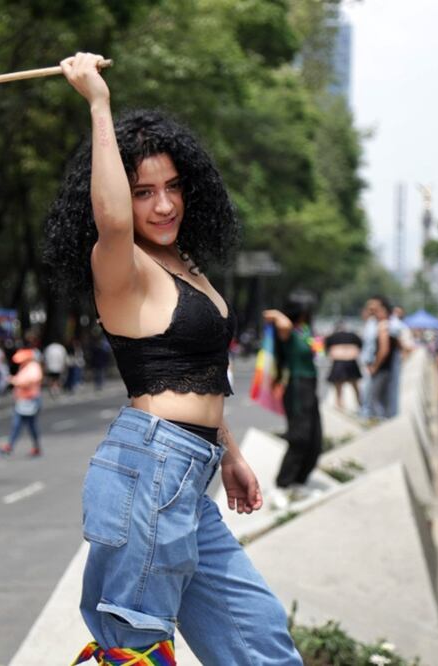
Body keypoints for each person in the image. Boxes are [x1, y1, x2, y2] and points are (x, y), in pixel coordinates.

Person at [45, 53, 301, 665]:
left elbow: (202, 373)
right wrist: (98, 104)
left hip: (190, 473)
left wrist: (231, 454)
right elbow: (109, 220)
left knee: (261, 642)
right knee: (133, 654)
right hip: (148, 471)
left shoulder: (184, 265)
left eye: (172, 187)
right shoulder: (121, 267)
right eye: (143, 193)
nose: (163, 206)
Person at [263, 303, 323, 510]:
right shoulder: (286, 331)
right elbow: (272, 315)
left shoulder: (304, 331)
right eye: (304, 313)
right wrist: (282, 312)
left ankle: (299, 482)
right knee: (300, 437)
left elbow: (317, 348)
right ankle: (281, 485)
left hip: (310, 386)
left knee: (315, 439)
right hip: (297, 387)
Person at [0, 348, 43, 457]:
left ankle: (11, 446)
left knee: (21, 424)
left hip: (30, 401)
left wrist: (15, 381)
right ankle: (13, 446)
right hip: (23, 401)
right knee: (23, 425)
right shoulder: (25, 367)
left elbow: (31, 379)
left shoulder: (33, 367)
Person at [365, 296, 399, 420]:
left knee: (375, 400)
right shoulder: (391, 326)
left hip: (382, 369)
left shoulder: (383, 327)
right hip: (387, 369)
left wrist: (375, 367)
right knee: (383, 399)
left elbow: (383, 350)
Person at [323, 322, 363, 412]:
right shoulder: (352, 336)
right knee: (351, 384)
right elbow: (360, 346)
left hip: (342, 360)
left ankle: (341, 403)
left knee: (342, 385)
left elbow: (326, 349)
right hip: (346, 361)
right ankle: (354, 403)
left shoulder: (332, 337)